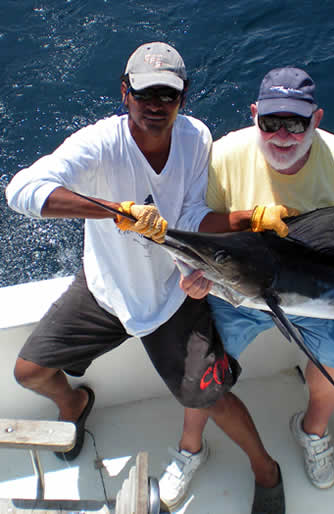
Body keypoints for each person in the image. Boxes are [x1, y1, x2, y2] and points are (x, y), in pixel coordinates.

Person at [159, 67, 334, 508]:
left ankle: (311, 431)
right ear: (255, 115)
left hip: (307, 292)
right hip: (243, 290)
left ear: (315, 120)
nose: (282, 134)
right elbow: (202, 226)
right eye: (271, 122)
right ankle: (189, 447)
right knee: (200, 368)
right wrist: (200, 275)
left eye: (295, 124)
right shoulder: (224, 156)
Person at [4, 41, 243, 461]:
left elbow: (190, 215)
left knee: (210, 396)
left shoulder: (196, 136)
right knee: (29, 372)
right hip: (107, 289)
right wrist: (114, 210)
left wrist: (240, 227)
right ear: (124, 93)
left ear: (183, 97)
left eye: (167, 94)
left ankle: (264, 471)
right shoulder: (98, 143)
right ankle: (73, 404)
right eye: (144, 93)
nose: (155, 104)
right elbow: (21, 191)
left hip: (172, 293)